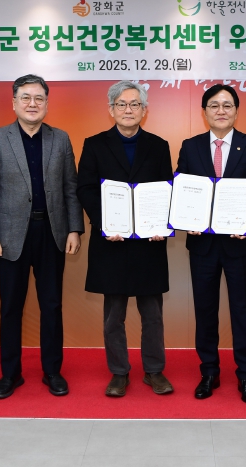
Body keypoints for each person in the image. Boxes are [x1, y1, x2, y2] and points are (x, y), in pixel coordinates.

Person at [0, 74, 84, 399]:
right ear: (14, 103)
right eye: (25, 97)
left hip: (52, 233)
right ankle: (11, 374)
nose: (32, 104)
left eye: (39, 98)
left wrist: (74, 228)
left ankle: (52, 371)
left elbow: (70, 188)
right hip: (10, 237)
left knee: (52, 305)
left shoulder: (60, 139)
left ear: (47, 103)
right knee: (11, 307)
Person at [176, 84, 246, 404]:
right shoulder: (191, 147)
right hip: (202, 244)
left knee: (243, 310)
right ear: (204, 111)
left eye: (227, 105)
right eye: (214, 105)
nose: (221, 111)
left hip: (239, 243)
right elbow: (181, 186)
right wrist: (186, 218)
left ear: (236, 111)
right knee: (205, 310)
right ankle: (209, 371)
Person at [77, 81, 174, 397]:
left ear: (144, 110)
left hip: (149, 244)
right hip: (112, 242)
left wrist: (161, 223)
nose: (128, 109)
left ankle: (154, 370)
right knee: (113, 316)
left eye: (135, 104)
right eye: (121, 104)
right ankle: (119, 372)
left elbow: (166, 189)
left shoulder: (158, 145)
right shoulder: (94, 144)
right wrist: (105, 223)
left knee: (153, 315)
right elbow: (86, 189)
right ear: (111, 109)